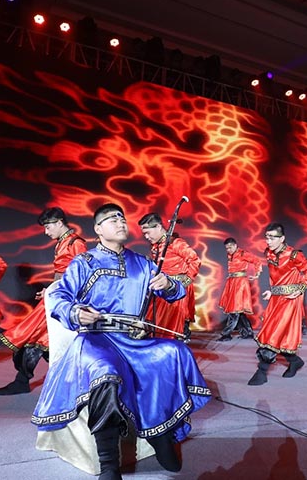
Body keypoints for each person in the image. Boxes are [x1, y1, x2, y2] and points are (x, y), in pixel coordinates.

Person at [31, 203, 211, 480]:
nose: (120, 222)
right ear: (98, 229)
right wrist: (76, 312)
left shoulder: (142, 263)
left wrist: (169, 285)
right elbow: (58, 295)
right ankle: (109, 464)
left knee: (174, 352)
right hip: (96, 341)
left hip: (134, 341)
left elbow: (176, 293)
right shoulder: (85, 262)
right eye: (112, 219)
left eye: (122, 218)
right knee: (106, 374)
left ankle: (160, 434)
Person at [0, 208, 87, 395]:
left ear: (59, 222)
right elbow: (61, 274)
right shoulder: (62, 242)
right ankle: (63, 380)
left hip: (64, 301)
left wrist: (62, 295)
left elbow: (82, 275)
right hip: (56, 296)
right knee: (42, 340)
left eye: (48, 227)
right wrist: (49, 290)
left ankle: (24, 381)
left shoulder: (76, 243)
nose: (46, 232)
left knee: (36, 338)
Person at [248, 223, 307, 385]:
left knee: (274, 333)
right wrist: (272, 291)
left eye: (272, 238)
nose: (268, 241)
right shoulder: (269, 253)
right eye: (267, 237)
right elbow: (275, 276)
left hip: (291, 299)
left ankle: (262, 371)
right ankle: (295, 361)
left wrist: (300, 289)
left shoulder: (294, 255)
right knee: (278, 333)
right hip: (276, 298)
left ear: (282, 238)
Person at [138, 213, 201, 340]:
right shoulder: (157, 245)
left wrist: (185, 281)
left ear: (158, 227)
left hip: (175, 288)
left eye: (148, 233)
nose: (146, 237)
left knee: (172, 324)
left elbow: (195, 260)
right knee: (155, 320)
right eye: (144, 234)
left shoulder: (176, 243)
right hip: (161, 287)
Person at [217, 237, 263, 341]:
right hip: (232, 282)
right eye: (226, 248)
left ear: (235, 245)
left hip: (240, 283)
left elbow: (257, 260)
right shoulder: (230, 255)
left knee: (234, 309)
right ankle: (248, 332)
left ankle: (226, 334)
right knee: (239, 310)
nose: (228, 250)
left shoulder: (243, 254)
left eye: (230, 247)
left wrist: (256, 274)